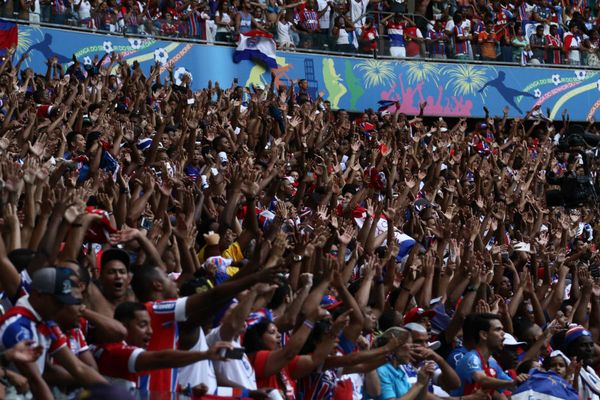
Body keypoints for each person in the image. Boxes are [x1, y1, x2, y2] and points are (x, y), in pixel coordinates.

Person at [455, 313, 528, 397]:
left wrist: (524, 380)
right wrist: (511, 383)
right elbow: (483, 380)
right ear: (484, 335)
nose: (503, 333)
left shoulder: (492, 362)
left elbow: (512, 385)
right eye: (498, 329)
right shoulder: (471, 358)